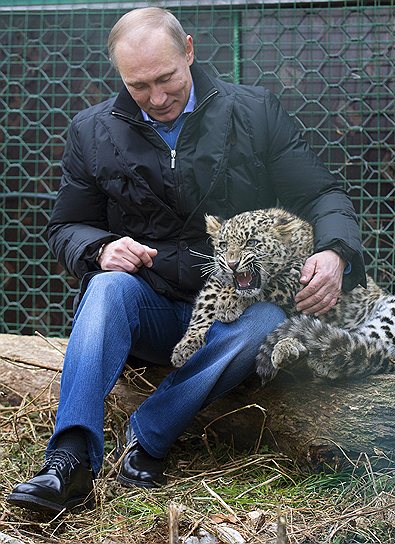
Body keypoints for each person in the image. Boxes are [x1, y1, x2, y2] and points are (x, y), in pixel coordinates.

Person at [7, 7, 366, 514]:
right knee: (105, 287)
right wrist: (100, 248)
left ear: (190, 52)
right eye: (138, 86)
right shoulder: (91, 131)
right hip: (151, 305)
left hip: (236, 311)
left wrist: (334, 252)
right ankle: (68, 461)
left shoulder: (255, 111)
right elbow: (66, 226)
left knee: (269, 320)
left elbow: (323, 193)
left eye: (166, 78)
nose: (157, 98)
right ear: (120, 77)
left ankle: (150, 434)